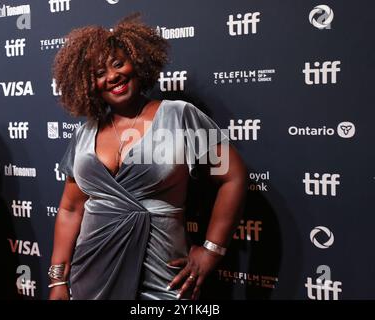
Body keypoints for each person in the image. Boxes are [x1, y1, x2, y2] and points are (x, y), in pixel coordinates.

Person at [49, 14, 247, 300]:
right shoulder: (84, 134)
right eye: (99, 72)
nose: (112, 76)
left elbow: (233, 177)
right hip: (90, 276)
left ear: (137, 62)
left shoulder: (179, 116)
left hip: (163, 278)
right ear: (87, 83)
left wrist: (211, 251)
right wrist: (58, 281)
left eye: (118, 63)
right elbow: (70, 210)